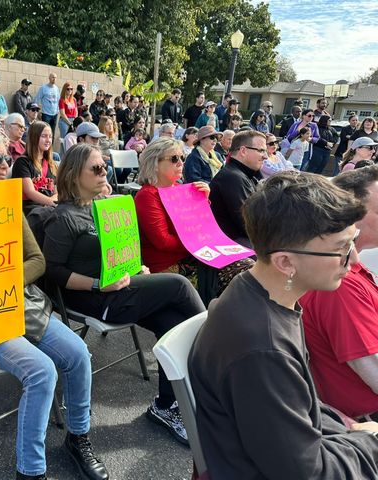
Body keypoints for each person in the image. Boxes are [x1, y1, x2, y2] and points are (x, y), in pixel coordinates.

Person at [189, 170, 378, 479]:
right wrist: (369, 443)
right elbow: (308, 473)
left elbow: (303, 407)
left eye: (352, 242)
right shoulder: (264, 348)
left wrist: (353, 431)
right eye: (341, 248)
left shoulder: (259, 291)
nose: (354, 259)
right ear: (286, 262)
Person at [0, 131, 108, 480]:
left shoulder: (5, 206)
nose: (6, 164)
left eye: (8, 158)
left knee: (78, 354)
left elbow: (37, 261)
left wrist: (3, 278)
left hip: (22, 302)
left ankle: (78, 437)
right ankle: (32, 470)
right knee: (42, 371)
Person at [42, 143, 206, 445]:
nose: (105, 171)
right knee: (178, 285)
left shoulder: (102, 208)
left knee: (172, 323)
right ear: (74, 175)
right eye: (96, 168)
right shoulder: (63, 218)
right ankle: (218, 354)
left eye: (105, 165)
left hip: (122, 288)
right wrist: (96, 285)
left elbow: (117, 252)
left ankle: (167, 406)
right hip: (98, 299)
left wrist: (136, 265)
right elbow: (52, 272)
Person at [301, 166, 378, 419]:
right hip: (366, 420)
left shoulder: (347, 267)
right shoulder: (339, 284)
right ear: (350, 215)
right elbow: (372, 370)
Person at [134, 137, 253, 293]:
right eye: (174, 158)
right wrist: (197, 244)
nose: (181, 163)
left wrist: (204, 201)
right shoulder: (148, 195)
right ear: (154, 163)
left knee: (251, 267)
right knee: (246, 272)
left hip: (194, 255)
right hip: (170, 265)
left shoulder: (180, 188)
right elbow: (162, 241)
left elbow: (201, 227)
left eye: (182, 157)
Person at [209, 130, 266, 246]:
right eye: (261, 150)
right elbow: (248, 226)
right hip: (230, 243)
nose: (265, 156)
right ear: (243, 151)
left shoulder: (243, 174)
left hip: (239, 238)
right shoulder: (233, 177)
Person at [11, 121, 58, 214]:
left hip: (50, 208)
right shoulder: (22, 162)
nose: (48, 140)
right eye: (44, 136)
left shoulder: (52, 165)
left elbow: (58, 192)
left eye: (50, 136)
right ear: (34, 138)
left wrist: (52, 203)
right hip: (30, 211)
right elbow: (30, 192)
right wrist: (51, 203)